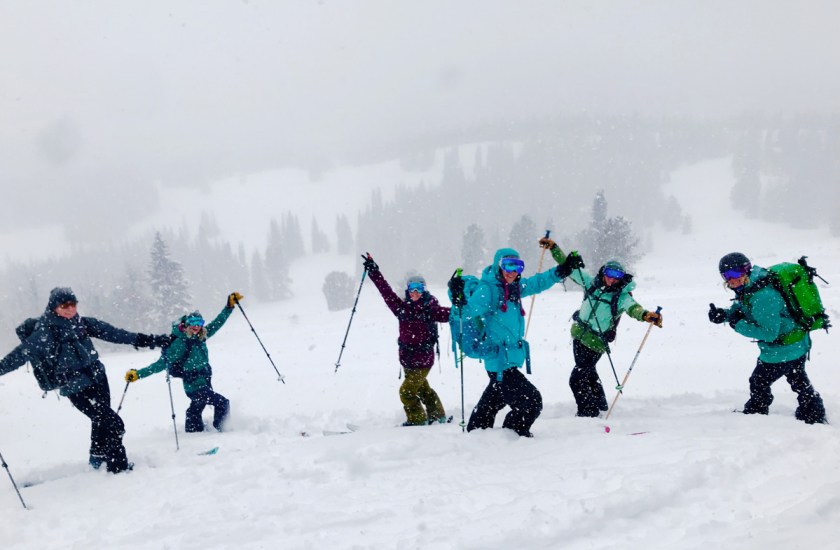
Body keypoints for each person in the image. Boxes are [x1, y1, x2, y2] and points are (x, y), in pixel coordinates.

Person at [0, 287, 170, 473]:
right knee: (114, 424)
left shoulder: (81, 323)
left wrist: (151, 340)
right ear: (54, 307)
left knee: (101, 422)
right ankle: (118, 468)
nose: (70, 308)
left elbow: (116, 334)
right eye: (64, 305)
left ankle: (97, 460)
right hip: (75, 386)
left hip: (98, 378)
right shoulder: (45, 332)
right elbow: (19, 355)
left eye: (73, 304)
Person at [448, 247, 580, 437]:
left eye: (517, 266)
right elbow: (466, 314)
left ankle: (476, 431)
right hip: (499, 360)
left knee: (497, 395)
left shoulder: (513, 288)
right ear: (498, 266)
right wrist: (459, 301)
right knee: (532, 401)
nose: (512, 271)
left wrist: (562, 270)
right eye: (507, 265)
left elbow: (538, 282)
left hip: (506, 360)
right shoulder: (488, 290)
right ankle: (513, 434)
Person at [541, 237, 662, 418]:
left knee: (577, 379)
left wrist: (646, 315)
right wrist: (554, 248)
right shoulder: (591, 284)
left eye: (617, 276)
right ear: (603, 272)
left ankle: (588, 412)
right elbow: (571, 267)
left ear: (622, 278)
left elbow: (632, 307)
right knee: (588, 373)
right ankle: (600, 403)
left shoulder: (621, 296)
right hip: (578, 336)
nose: (611, 279)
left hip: (596, 342)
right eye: (609, 273)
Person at [709, 252, 826, 424]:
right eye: (727, 275)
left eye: (736, 273)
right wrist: (724, 315)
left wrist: (737, 324)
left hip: (783, 349)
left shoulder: (763, 296)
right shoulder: (753, 286)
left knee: (758, 381)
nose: (732, 279)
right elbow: (744, 309)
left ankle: (757, 412)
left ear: (747, 270)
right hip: (797, 343)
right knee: (797, 377)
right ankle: (813, 411)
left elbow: (769, 333)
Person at [125, 292, 243, 432]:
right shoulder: (179, 343)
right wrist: (138, 374)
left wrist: (229, 307)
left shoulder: (201, 336)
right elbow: (160, 364)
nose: (196, 326)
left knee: (197, 405)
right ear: (186, 325)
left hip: (204, 379)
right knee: (222, 403)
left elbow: (218, 323)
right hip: (193, 383)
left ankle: (193, 428)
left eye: (199, 323)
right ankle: (223, 428)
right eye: (193, 323)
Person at [362, 254, 451, 426]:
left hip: (423, 359)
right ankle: (437, 416)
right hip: (407, 359)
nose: (415, 292)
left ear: (425, 290)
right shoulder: (401, 308)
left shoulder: (430, 309)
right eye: (412, 288)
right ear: (408, 290)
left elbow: (451, 314)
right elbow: (385, 291)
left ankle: (417, 420)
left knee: (407, 392)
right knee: (423, 389)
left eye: (419, 288)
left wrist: (462, 303)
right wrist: (374, 272)